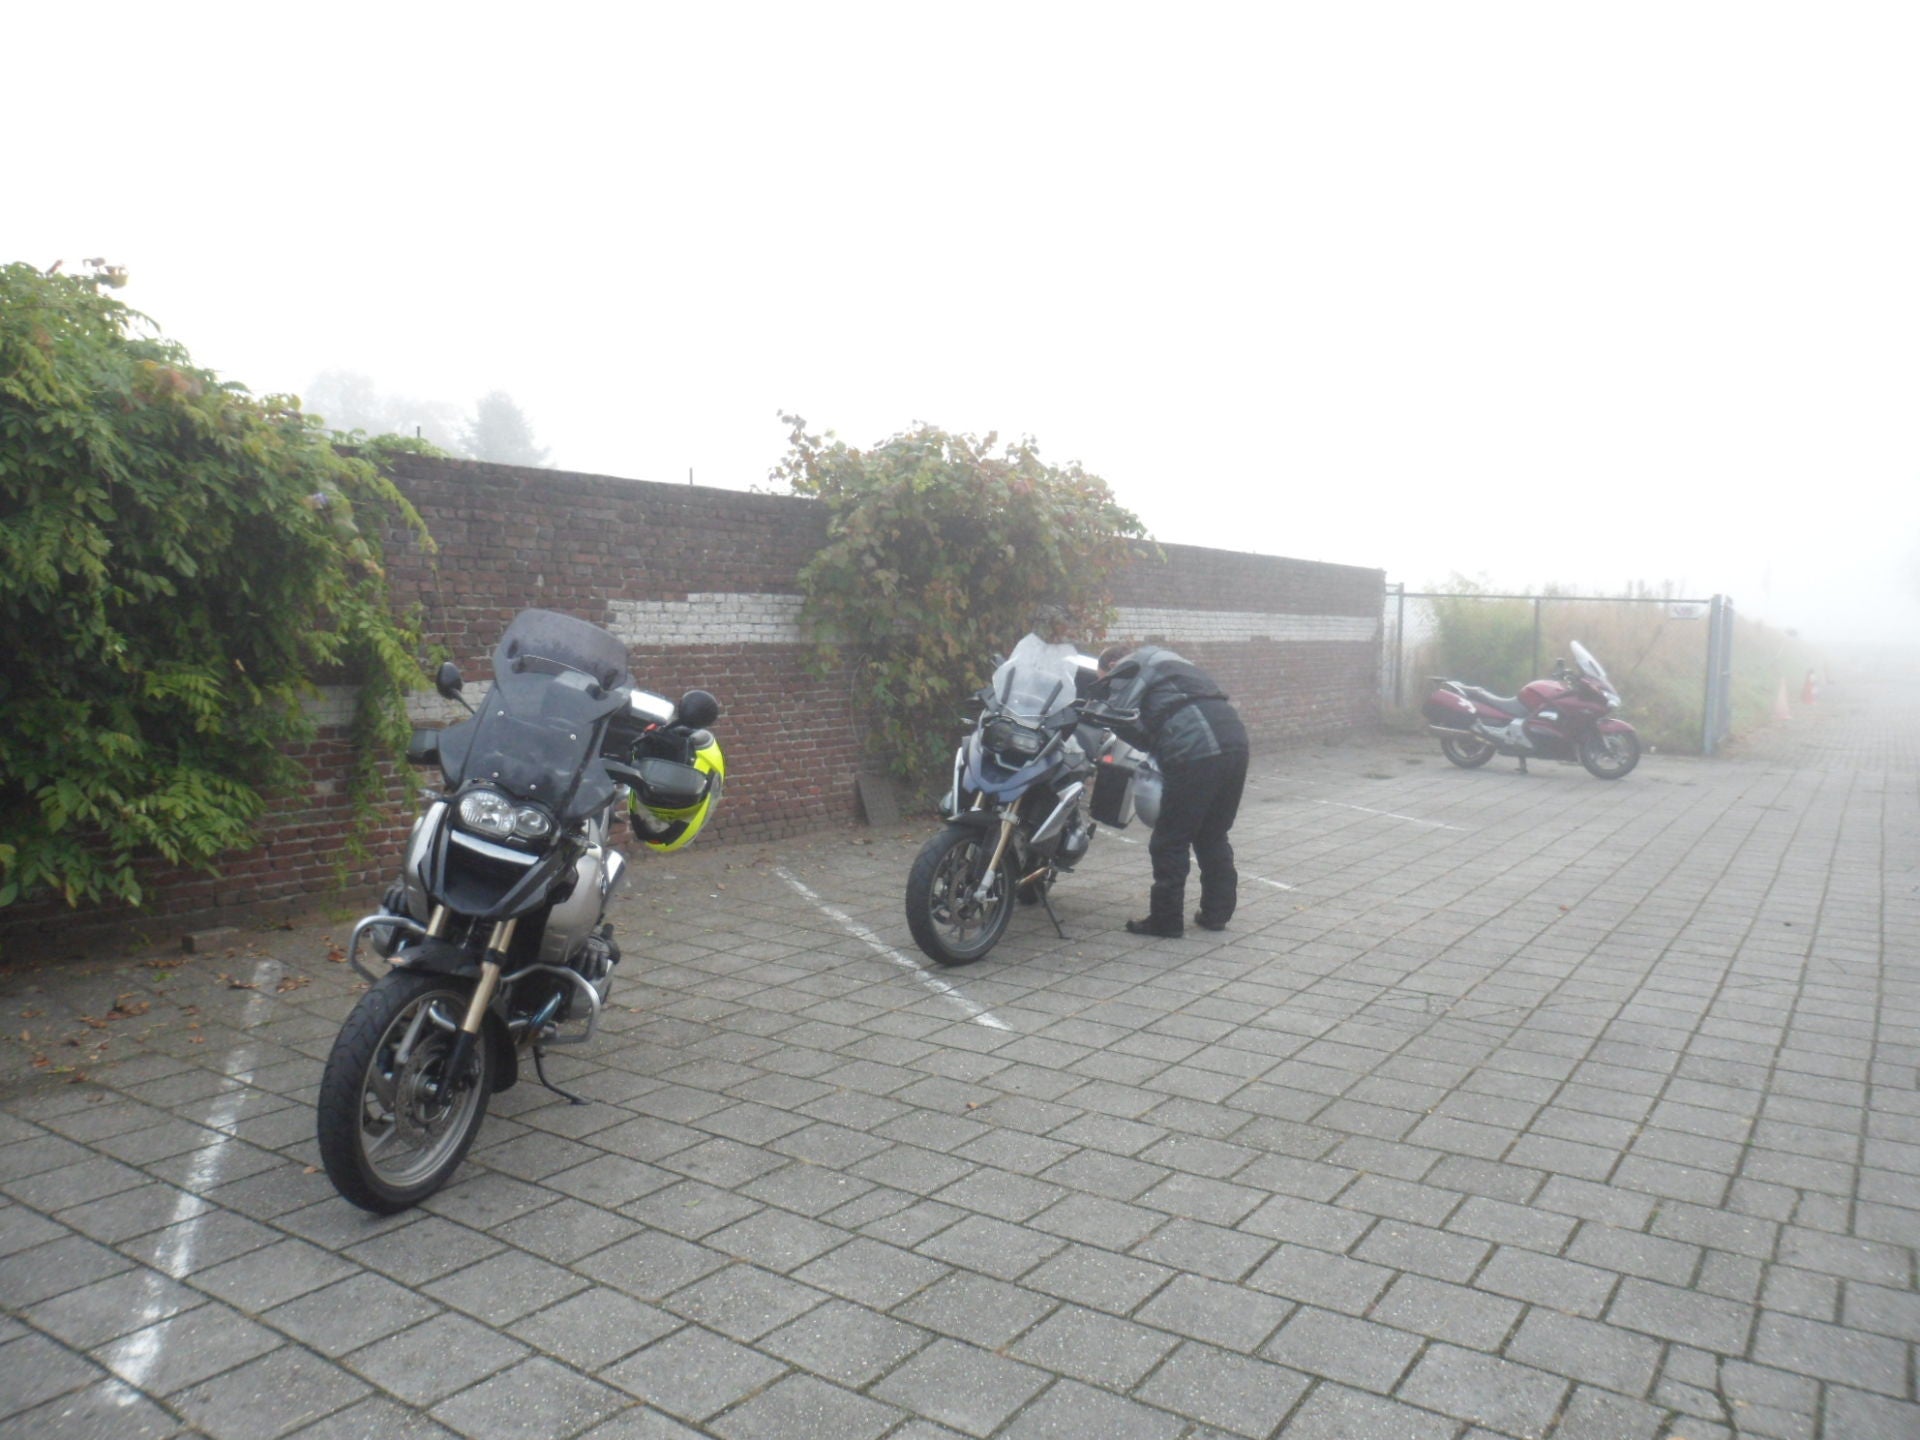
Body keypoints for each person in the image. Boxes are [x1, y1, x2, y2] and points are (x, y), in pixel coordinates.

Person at [1092, 641, 1249, 937]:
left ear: (1113, 666)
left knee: (1170, 839)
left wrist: (1151, 743)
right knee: (1213, 833)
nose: (1110, 685)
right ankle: (1217, 913)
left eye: (1106, 680)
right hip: (1236, 742)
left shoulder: (1132, 666)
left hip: (1196, 751)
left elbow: (1117, 715)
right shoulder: (1170, 661)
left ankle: (1165, 920)